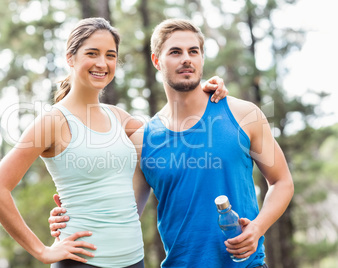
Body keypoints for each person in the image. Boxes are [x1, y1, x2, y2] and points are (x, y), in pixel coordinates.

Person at [0, 17, 228, 268]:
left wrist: (206, 90)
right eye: (92, 53)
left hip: (133, 260)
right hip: (82, 261)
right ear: (70, 58)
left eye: (110, 55)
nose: (102, 63)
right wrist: (42, 251)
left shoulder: (120, 119)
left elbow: (173, 131)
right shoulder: (53, 121)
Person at [49, 18, 294, 268]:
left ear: (201, 59)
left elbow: (281, 181)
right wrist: (70, 217)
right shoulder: (143, 140)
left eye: (193, 51)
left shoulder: (244, 115)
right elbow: (123, 214)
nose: (186, 58)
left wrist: (257, 227)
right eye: (175, 52)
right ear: (157, 61)